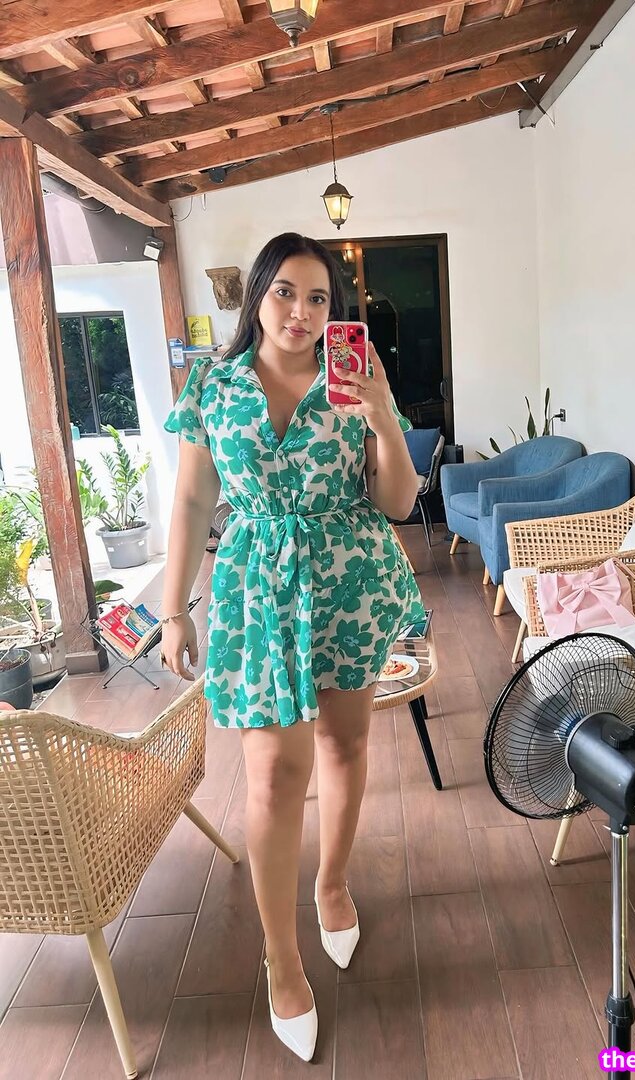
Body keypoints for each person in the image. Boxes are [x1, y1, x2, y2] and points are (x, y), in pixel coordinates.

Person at [161, 232, 425, 1063]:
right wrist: (173, 610)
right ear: (257, 298)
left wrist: (381, 414)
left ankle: (332, 882)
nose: (301, 312)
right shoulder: (213, 384)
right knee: (274, 773)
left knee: (345, 744)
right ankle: (281, 958)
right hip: (256, 593)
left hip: (351, 582)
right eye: (285, 292)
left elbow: (396, 501)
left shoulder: (356, 383)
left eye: (318, 299)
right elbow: (192, 500)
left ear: (333, 313)